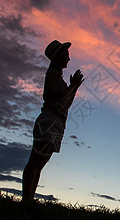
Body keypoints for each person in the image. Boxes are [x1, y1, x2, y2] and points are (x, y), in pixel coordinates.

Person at [22, 40, 84, 202]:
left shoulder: (57, 77)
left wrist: (74, 86)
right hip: (49, 121)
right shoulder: (53, 75)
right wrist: (73, 86)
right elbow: (60, 98)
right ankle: (26, 201)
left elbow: (65, 102)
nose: (68, 59)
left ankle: (29, 200)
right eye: (65, 55)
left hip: (57, 124)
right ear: (57, 57)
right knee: (35, 162)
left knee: (39, 164)